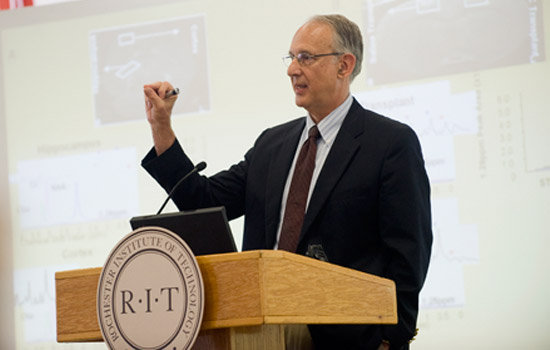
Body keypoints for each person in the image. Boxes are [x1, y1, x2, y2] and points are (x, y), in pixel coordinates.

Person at [142, 14, 432, 350]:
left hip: (350, 338)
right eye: (291, 57)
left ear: (344, 65)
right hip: (261, 334)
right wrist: (161, 125)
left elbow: (409, 250)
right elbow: (202, 201)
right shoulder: (272, 145)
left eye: (306, 57)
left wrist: (390, 339)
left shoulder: (389, 143)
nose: (292, 69)